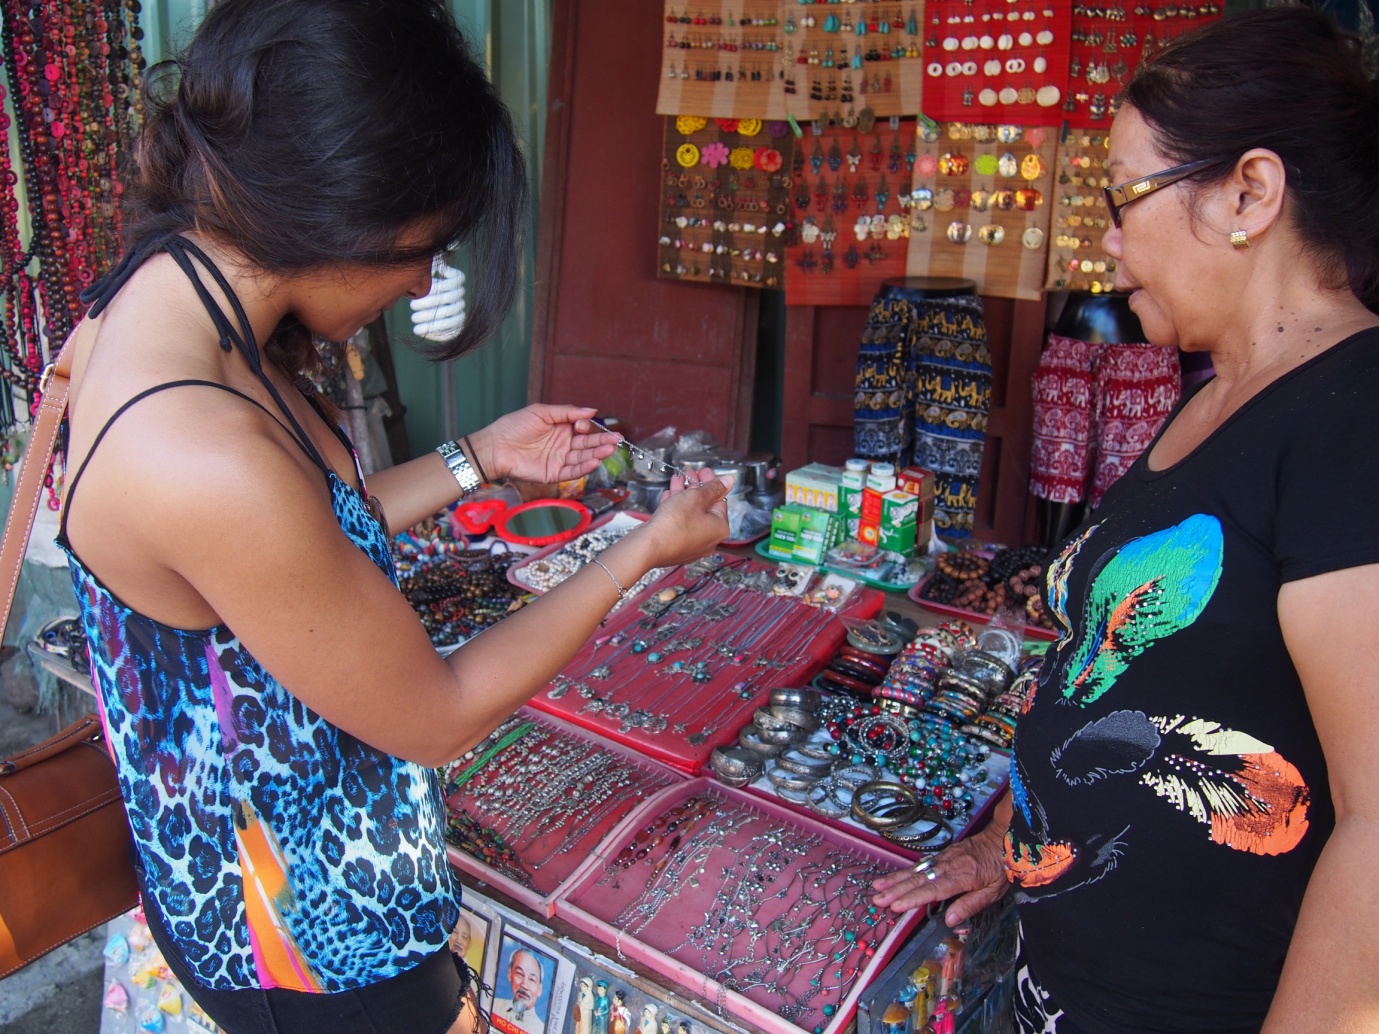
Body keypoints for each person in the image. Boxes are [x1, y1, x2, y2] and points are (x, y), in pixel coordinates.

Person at [57, 2, 732, 1033]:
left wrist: (478, 458)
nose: (423, 278)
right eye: (421, 247)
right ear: (337, 220)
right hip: (320, 948)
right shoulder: (197, 448)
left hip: (311, 902)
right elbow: (436, 708)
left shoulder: (168, 298)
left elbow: (293, 543)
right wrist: (639, 550)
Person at [873, 9, 1379, 1033]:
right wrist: (1008, 837)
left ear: (1247, 192)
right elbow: (1120, 671)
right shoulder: (1210, 399)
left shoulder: (1352, 419)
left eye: (1121, 199)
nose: (1102, 242)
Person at [492, 949, 546, 1034]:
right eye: (520, 974)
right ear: (510, 975)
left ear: (539, 990)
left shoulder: (541, 1030)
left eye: (532, 979)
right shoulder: (494, 1005)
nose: (524, 985)